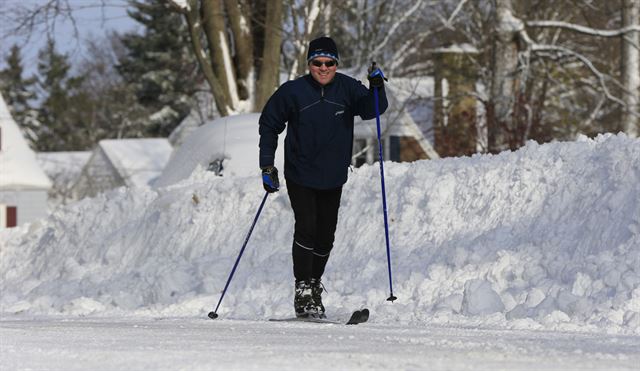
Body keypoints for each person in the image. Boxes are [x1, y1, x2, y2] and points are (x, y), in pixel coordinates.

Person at [258, 36, 388, 318]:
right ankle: (302, 289)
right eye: (317, 62)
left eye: (329, 62)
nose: (324, 67)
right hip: (301, 173)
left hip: (333, 175)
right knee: (307, 227)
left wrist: (377, 87)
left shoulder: (347, 88)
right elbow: (269, 125)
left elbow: (372, 109)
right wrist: (267, 166)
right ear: (309, 64)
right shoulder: (293, 92)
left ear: (336, 64)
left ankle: (314, 285)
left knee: (326, 236)